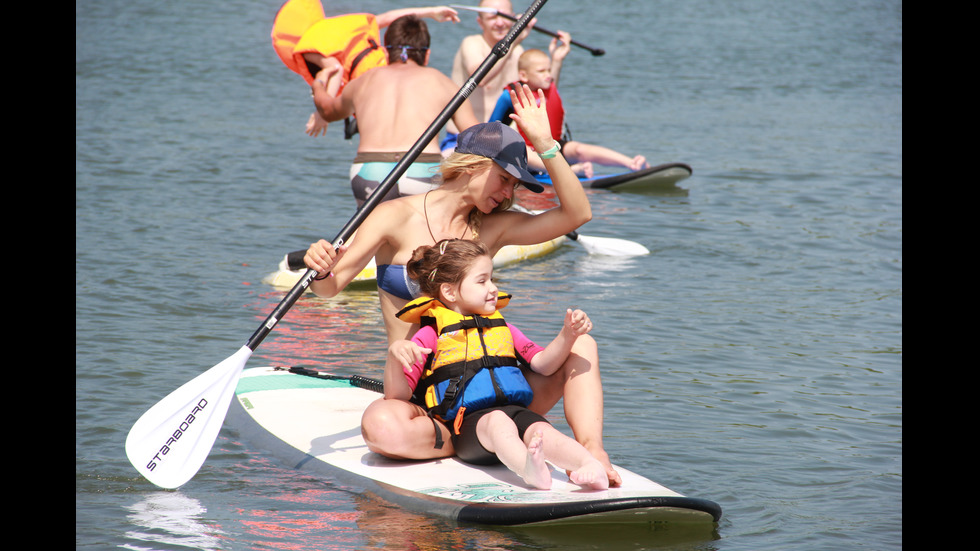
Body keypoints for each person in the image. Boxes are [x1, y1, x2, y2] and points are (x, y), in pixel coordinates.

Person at [303, 84, 622, 485]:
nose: (509, 194)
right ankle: (473, 440)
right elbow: (330, 287)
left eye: (515, 186)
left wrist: (545, 144)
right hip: (425, 397)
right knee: (380, 425)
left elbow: (578, 212)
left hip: (494, 389)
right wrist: (320, 269)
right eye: (505, 179)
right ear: (473, 164)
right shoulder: (393, 215)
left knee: (583, 344)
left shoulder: (494, 227)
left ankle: (590, 450)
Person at [387, 239, 609, 490]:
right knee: (497, 422)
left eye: (492, 279)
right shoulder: (430, 335)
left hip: (515, 411)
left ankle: (588, 464)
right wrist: (395, 356)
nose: (493, 288)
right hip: (470, 429)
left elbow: (543, 365)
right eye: (482, 281)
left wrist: (568, 334)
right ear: (449, 292)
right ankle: (529, 470)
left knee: (540, 428)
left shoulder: (503, 328)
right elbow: (397, 395)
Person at [310, 14, 479, 205]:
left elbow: (327, 110)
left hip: (371, 170)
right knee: (420, 233)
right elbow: (478, 137)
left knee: (370, 233)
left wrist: (319, 83)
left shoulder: (363, 82)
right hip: (422, 169)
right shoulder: (443, 84)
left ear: (385, 51)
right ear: (427, 54)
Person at [270, 0, 462, 140]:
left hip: (373, 87)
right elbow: (389, 18)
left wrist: (322, 113)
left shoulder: (308, 48)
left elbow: (334, 69)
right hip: (390, 67)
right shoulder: (339, 27)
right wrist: (431, 12)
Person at [489, 45, 650, 177]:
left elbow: (554, 73)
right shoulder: (509, 95)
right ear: (523, 75)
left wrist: (558, 58)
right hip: (529, 155)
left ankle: (631, 163)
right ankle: (569, 171)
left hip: (553, 146)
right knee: (524, 150)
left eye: (549, 70)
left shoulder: (549, 87)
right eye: (541, 71)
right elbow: (491, 130)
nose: (548, 75)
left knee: (578, 148)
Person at [440, 0, 535, 153]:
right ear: (480, 22)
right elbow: (481, 78)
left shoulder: (518, 51)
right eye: (492, 18)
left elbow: (537, 97)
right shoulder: (471, 44)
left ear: (513, 18)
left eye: (504, 16)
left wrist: (557, 60)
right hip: (463, 137)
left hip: (501, 141)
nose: (499, 23)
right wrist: (513, 41)